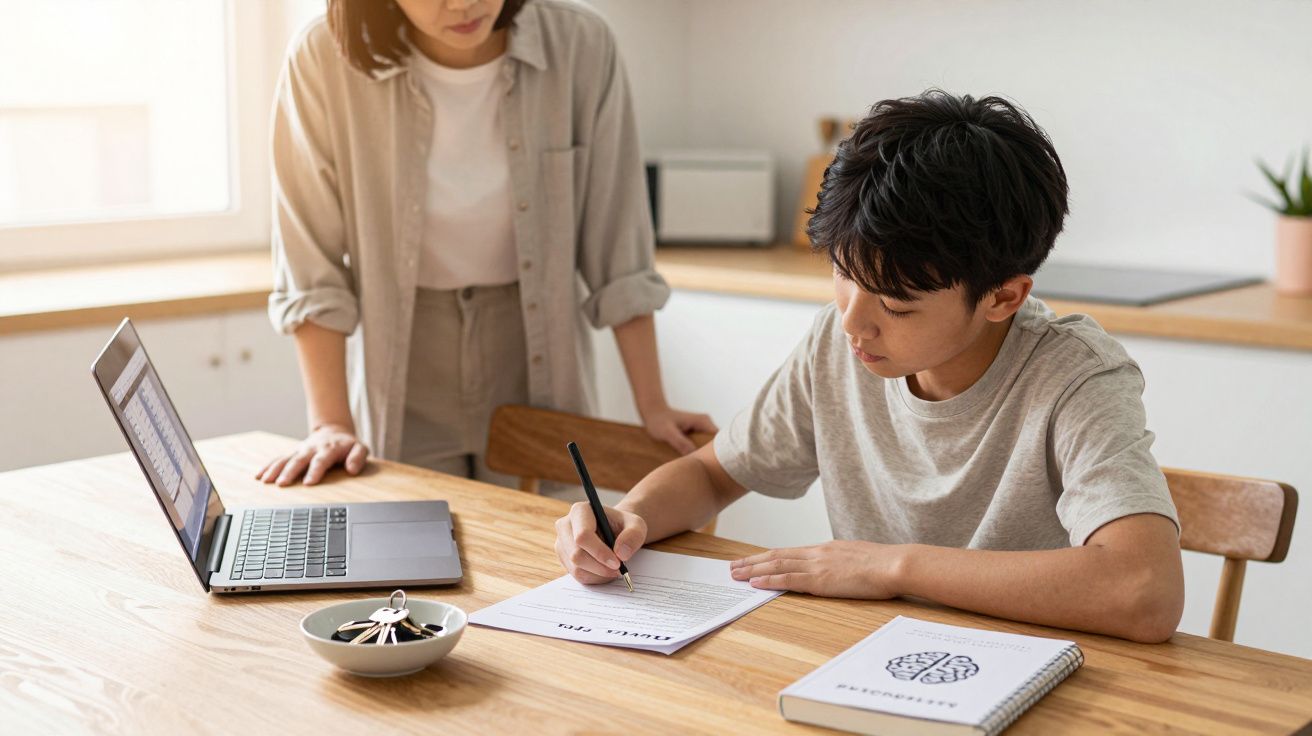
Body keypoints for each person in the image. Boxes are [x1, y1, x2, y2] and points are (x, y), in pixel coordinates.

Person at [553, 90, 1185, 643]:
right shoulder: (842, 338)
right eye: (842, 277)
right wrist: (629, 517)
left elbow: (1144, 590)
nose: (854, 322)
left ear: (1002, 298)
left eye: (895, 305)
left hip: (1025, 671)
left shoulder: (1075, 376)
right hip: (861, 654)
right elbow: (715, 475)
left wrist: (890, 567)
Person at [257, 0, 714, 490]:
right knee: (413, 550)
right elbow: (311, 262)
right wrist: (330, 424)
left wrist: (653, 405)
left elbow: (618, 244)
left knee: (553, 550)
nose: (462, 3)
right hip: (403, 356)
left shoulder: (582, 46)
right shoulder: (321, 57)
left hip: (536, 347)